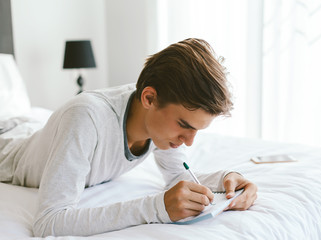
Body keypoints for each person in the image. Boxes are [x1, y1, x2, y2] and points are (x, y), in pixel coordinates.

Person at [0, 38, 257, 237]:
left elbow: (179, 177)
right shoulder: (85, 117)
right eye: (183, 125)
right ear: (149, 98)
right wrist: (156, 208)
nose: (188, 141)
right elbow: (49, 222)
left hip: (28, 131)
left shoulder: (159, 127)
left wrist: (227, 180)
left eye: (196, 131)